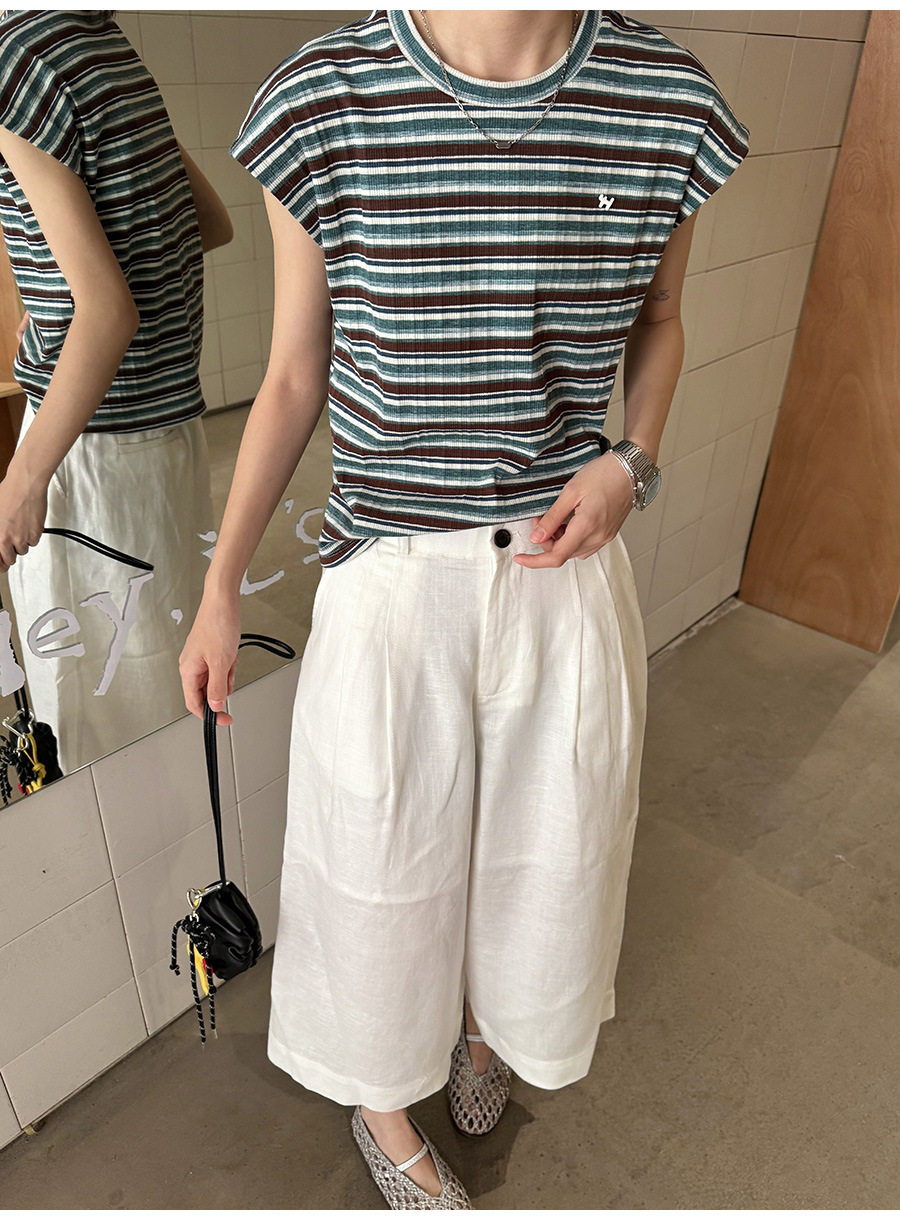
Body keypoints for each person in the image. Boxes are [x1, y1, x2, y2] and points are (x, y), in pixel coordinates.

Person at [180, 8, 749, 1209]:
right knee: (376, 864)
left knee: (548, 853)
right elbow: (293, 373)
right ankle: (384, 1109)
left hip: (561, 568)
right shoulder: (324, 99)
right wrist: (221, 585)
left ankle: (486, 1029)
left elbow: (658, 317)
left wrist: (633, 462)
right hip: (394, 581)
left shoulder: (664, 100)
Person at [0, 9, 232, 773]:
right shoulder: (97, 40)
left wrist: (23, 478)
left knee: (95, 723)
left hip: (91, 454)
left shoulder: (16, 63)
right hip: (165, 443)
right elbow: (208, 222)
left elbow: (107, 312)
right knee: (164, 691)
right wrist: (55, 293)